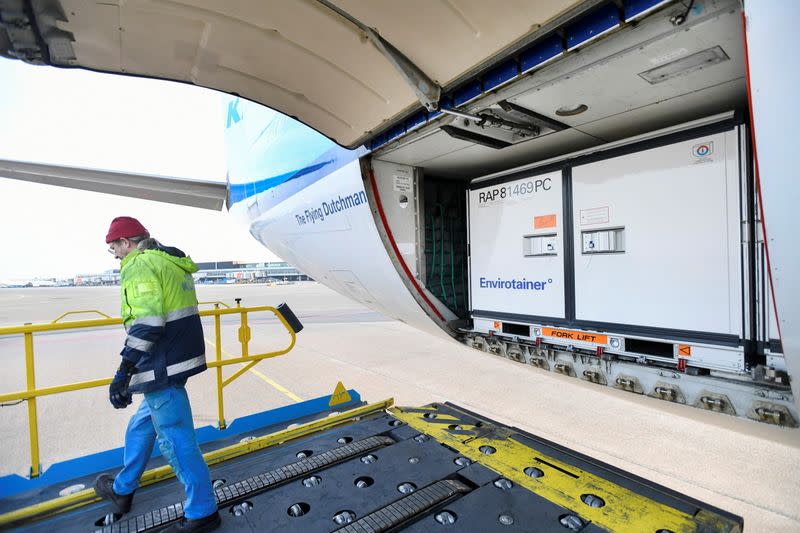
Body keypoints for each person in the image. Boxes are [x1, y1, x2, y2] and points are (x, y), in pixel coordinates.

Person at [95, 216, 220, 532]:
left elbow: (148, 323)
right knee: (141, 426)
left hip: (162, 364)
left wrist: (124, 371)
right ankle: (123, 489)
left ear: (127, 242)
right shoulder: (170, 261)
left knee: (176, 439)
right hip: (179, 358)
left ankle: (203, 511)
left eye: (114, 248)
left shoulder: (139, 264)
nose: (114, 255)